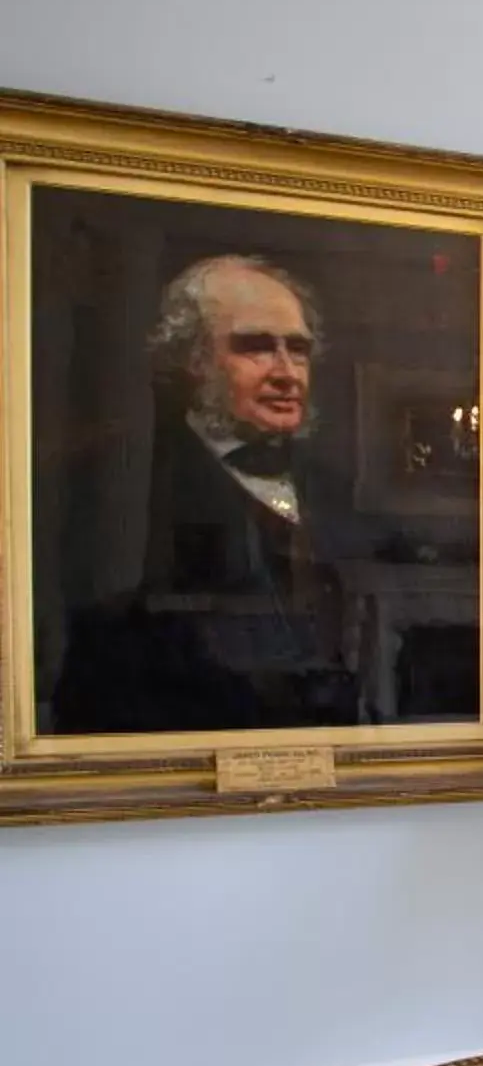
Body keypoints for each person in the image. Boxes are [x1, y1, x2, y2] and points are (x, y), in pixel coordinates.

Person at [51, 252, 363, 731]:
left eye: (297, 350)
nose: (286, 372)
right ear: (193, 359)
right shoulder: (128, 478)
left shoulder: (333, 490)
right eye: (255, 347)